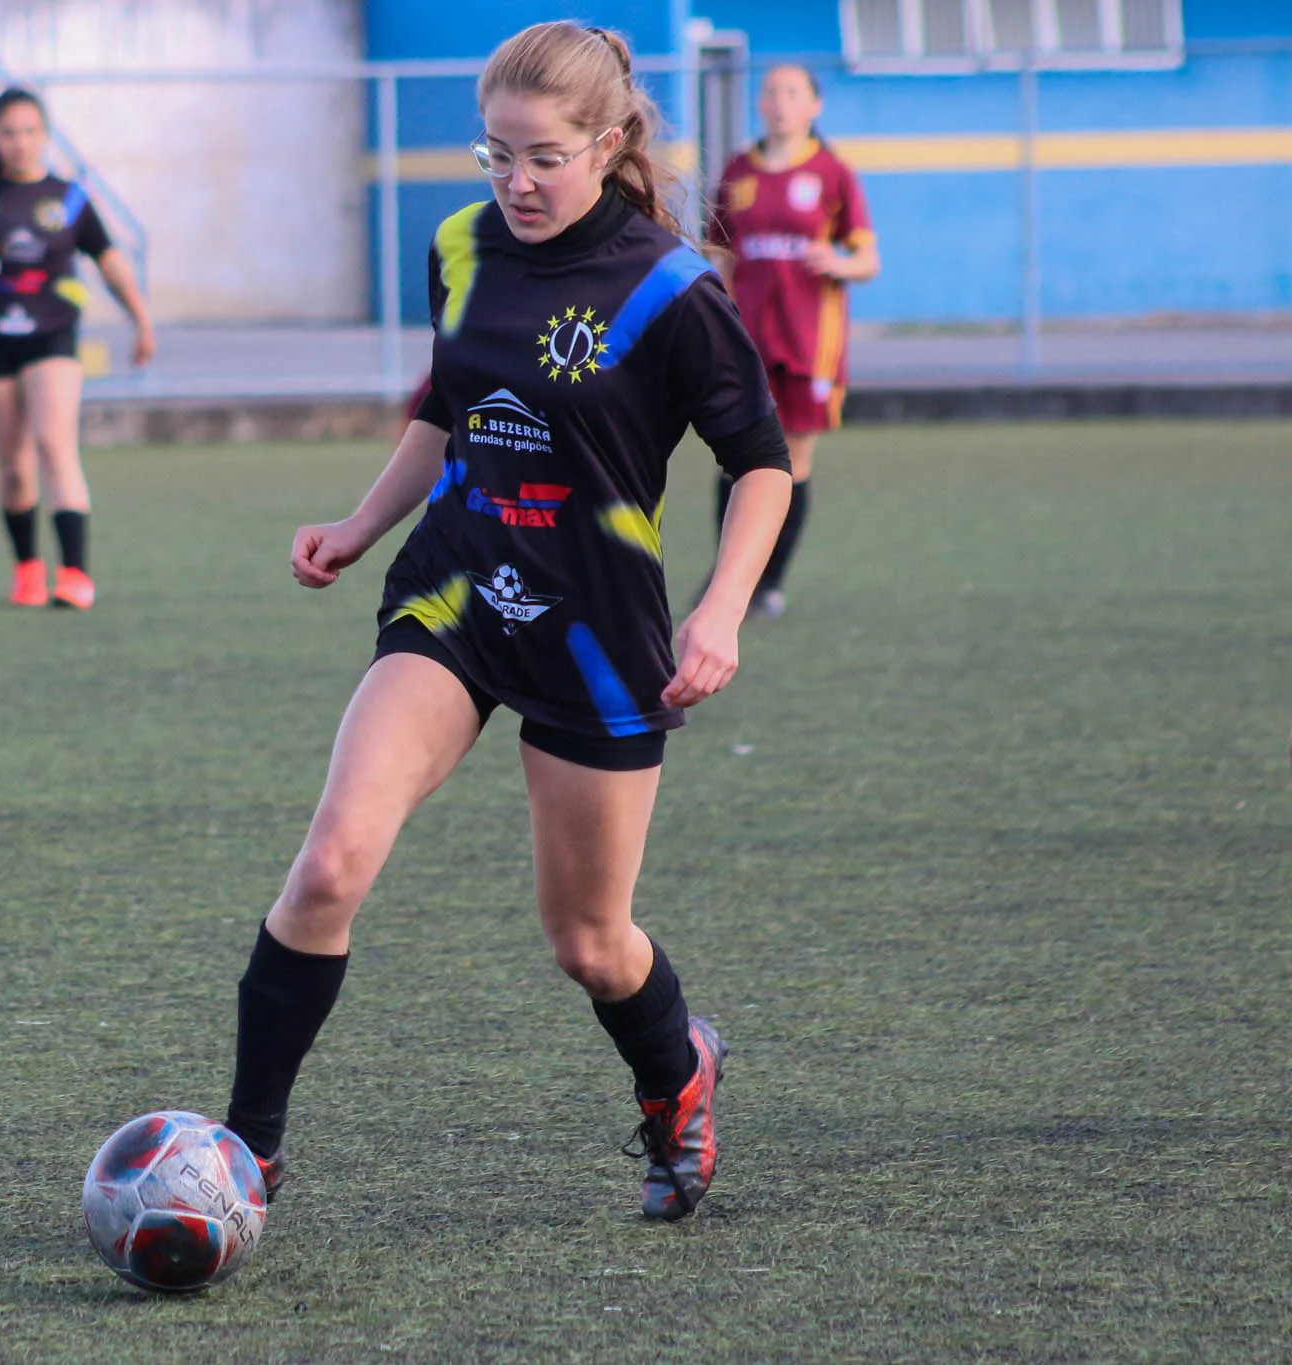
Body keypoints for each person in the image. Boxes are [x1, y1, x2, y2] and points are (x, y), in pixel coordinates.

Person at [217, 21, 794, 1223]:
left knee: (587, 942)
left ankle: (673, 1078)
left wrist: (720, 612)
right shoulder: (457, 245)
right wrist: (362, 523)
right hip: (456, 591)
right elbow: (449, 399)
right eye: (495, 156)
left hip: (593, 630)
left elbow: (760, 465)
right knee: (328, 863)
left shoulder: (671, 290)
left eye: (542, 157)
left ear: (608, 142)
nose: (515, 184)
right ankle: (244, 1157)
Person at [0, 89, 156, 610]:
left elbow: (109, 260)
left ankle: (75, 575)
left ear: (45, 135)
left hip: (52, 330)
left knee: (55, 443)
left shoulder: (70, 198)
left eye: (30, 131)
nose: (19, 142)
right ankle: (28, 568)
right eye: (9, 132)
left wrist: (141, 319)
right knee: (14, 462)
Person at [705, 63, 878, 619]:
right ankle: (730, 578)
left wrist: (840, 261)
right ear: (759, 103)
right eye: (771, 92)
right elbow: (717, 251)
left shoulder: (832, 173)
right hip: (746, 340)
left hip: (810, 343)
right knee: (734, 460)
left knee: (793, 460)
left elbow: (868, 259)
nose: (779, 102)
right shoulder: (737, 171)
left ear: (814, 105)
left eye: (792, 92)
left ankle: (769, 584)